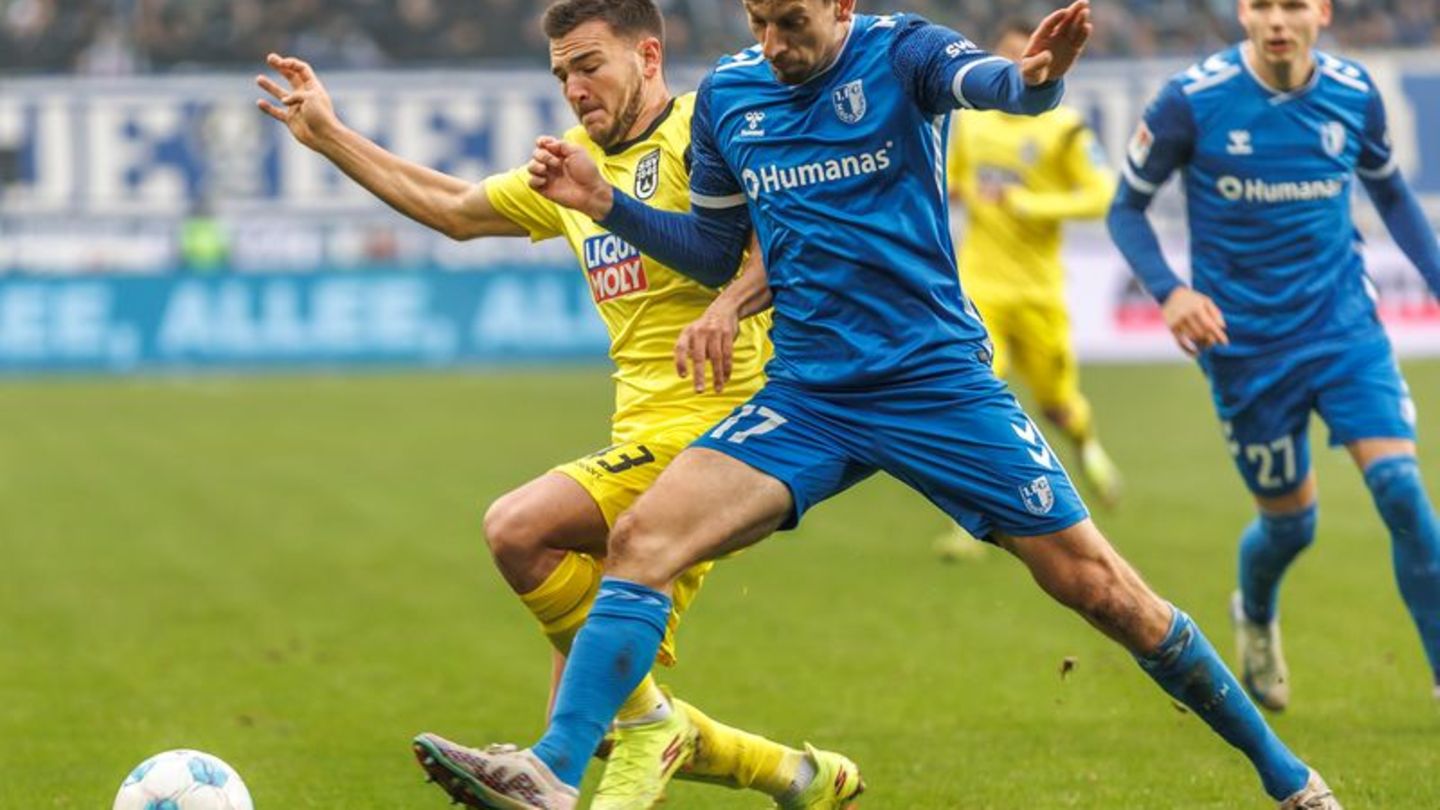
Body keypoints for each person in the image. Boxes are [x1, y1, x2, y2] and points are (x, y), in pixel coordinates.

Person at [431, 1, 1342, 808]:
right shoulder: (731, 98)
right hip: (811, 394)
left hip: (934, 383)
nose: (773, 43)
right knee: (641, 543)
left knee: (1101, 591)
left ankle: (1288, 780)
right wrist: (605, 204)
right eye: (757, 22)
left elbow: (996, 86)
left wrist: (1037, 78)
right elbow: (714, 249)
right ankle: (551, 769)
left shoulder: (902, 53)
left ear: (841, 4)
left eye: (791, 22)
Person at [255, 2, 862, 808]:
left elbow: (785, 243)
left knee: (518, 527)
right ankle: (797, 777)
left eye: (589, 66)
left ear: (648, 55)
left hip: (720, 436)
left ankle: (654, 732)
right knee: (594, 721)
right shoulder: (572, 165)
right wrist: (330, 135)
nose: (574, 89)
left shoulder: (705, 134)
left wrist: (730, 307)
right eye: (561, 74)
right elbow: (455, 209)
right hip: (638, 437)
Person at [1107, 0, 1440, 713]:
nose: (1277, 19)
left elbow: (1394, 197)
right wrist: (1169, 292)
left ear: (1321, 11)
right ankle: (1255, 615)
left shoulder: (1354, 93)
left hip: (1343, 330)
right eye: (1261, 4)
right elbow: (1125, 210)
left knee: (1402, 491)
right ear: (1241, 13)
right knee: (1292, 526)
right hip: (1246, 349)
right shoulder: (1192, 101)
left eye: (1293, 3)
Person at [934, 16, 1121, 561]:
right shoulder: (973, 125)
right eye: (1012, 61)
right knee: (974, 402)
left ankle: (1087, 446)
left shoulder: (1064, 129)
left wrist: (1030, 205)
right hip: (980, 288)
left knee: (1058, 406)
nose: (1023, 69)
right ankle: (969, 526)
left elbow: (1102, 196)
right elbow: (954, 183)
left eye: (1033, 58)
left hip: (1038, 293)